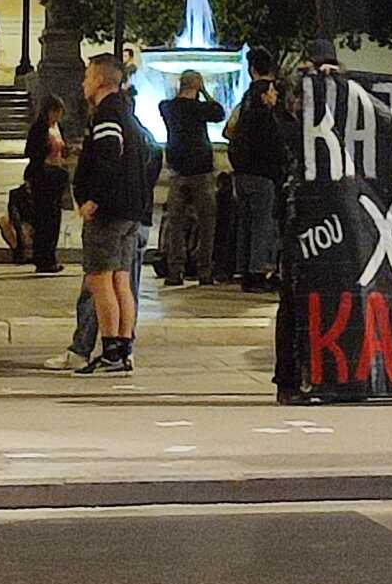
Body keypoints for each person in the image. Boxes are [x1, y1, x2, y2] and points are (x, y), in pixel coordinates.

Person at [69, 54, 149, 374]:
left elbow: (108, 155)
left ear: (101, 80)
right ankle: (123, 350)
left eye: (88, 76)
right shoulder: (128, 114)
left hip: (110, 212)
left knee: (99, 279)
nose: (83, 83)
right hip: (131, 211)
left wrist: (94, 198)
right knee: (121, 280)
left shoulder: (106, 115)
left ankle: (111, 350)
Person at [157, 71, 224, 287]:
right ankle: (204, 270)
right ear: (197, 86)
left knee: (176, 223)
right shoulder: (200, 109)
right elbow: (219, 112)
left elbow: (169, 103)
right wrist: (204, 92)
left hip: (178, 171)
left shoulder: (167, 107)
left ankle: (175, 271)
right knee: (206, 223)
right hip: (201, 171)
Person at [226, 69, 287, 293]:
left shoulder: (245, 117)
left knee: (246, 224)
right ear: (264, 96)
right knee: (262, 225)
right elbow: (275, 149)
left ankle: (244, 270)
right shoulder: (267, 120)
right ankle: (257, 271)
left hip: (243, 177)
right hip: (263, 177)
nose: (275, 96)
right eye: (272, 92)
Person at [18, 93, 68, 274]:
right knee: (43, 218)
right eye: (56, 112)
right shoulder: (39, 128)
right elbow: (31, 151)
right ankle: (42, 258)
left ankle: (51, 256)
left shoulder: (58, 127)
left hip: (57, 174)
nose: (58, 116)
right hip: (42, 175)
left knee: (55, 218)